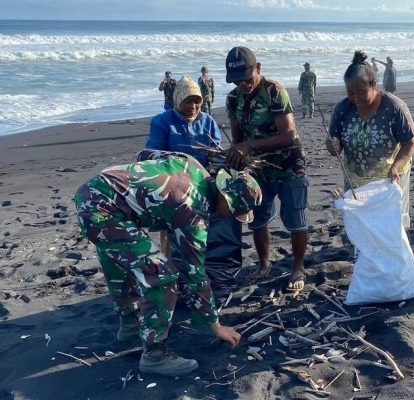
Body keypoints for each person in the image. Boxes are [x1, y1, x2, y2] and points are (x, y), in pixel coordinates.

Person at [74, 149, 262, 376]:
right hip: (103, 212)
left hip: (92, 191)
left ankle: (130, 323)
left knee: (121, 262)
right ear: (224, 198)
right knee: (161, 276)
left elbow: (145, 155)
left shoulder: (191, 164)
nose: (229, 216)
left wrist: (150, 197)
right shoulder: (193, 211)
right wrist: (215, 325)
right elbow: (195, 274)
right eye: (233, 211)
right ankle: (155, 356)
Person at [147, 76, 243, 294]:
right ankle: (177, 279)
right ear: (177, 100)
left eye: (197, 101)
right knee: (174, 236)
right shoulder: (162, 122)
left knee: (208, 230)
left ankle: (212, 274)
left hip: (202, 184)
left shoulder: (208, 121)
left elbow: (216, 154)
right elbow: (152, 155)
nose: (193, 106)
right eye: (188, 101)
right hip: (174, 187)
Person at [225, 46, 309, 291]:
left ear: (258, 68)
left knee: (296, 219)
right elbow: (238, 140)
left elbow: (290, 136)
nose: (243, 84)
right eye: (237, 80)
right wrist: (236, 156)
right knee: (258, 219)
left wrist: (250, 145)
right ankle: (263, 264)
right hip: (258, 168)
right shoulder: (233, 99)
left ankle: (298, 267)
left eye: (246, 78)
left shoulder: (274, 91)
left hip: (289, 163)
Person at [326, 50, 414, 228]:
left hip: (390, 177)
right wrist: (332, 145)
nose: (355, 98)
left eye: (361, 92)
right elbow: (333, 145)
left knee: (391, 224)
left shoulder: (394, 107)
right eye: (350, 93)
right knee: (361, 224)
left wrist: (396, 167)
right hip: (355, 179)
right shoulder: (342, 109)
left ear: (374, 85)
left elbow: (410, 143)